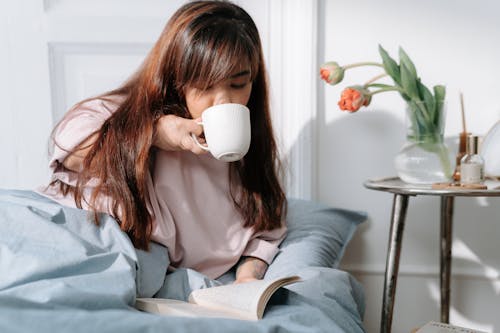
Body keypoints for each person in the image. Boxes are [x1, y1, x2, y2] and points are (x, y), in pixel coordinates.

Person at [38, 0, 287, 284]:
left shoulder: (245, 163)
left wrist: (247, 280)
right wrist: (154, 134)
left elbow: (265, 229)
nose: (224, 101)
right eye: (204, 86)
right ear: (175, 77)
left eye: (238, 84)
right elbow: (69, 148)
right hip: (71, 239)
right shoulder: (124, 113)